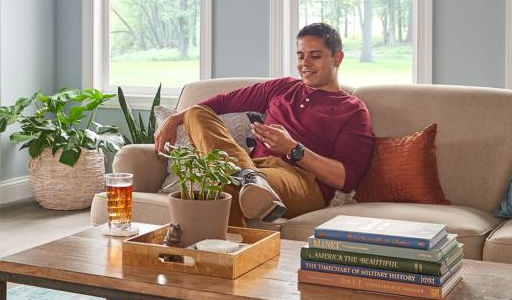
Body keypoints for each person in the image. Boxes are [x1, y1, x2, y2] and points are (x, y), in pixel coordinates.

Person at [154, 22, 374, 226]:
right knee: (195, 113)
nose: (304, 64)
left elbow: (345, 178)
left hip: (302, 181)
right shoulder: (283, 88)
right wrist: (173, 119)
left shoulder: (353, 110)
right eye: (300, 56)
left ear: (337, 58)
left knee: (218, 186)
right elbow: (222, 102)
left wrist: (293, 149)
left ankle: (245, 184)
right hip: (256, 166)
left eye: (314, 56)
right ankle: (248, 179)